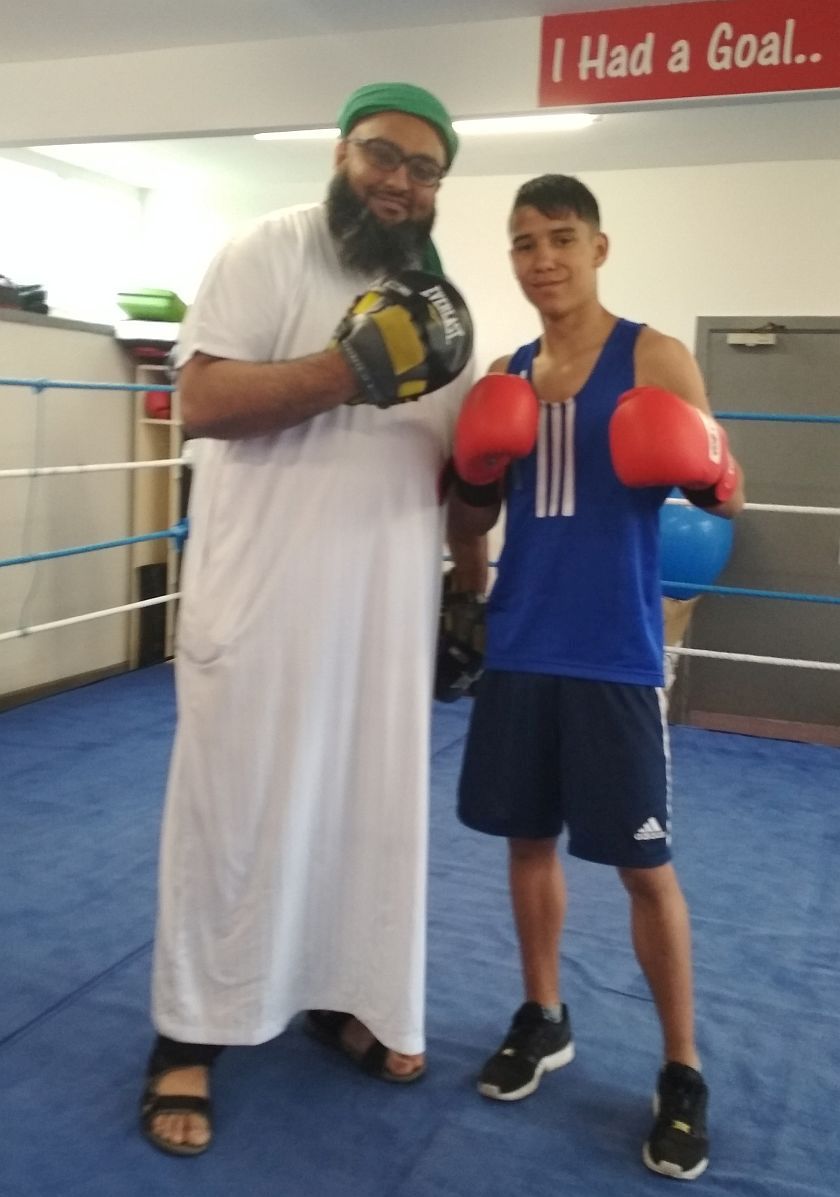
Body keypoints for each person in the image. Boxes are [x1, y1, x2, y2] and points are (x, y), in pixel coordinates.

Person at [141, 81, 483, 1157]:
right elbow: (203, 402)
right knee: (232, 817)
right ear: (342, 153)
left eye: (423, 169)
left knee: (363, 822)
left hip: (381, 620)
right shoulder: (270, 249)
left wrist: (480, 550)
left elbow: (457, 477)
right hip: (263, 604)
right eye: (383, 154)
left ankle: (342, 997)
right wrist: (345, 370)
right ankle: (189, 1032)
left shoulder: (443, 308)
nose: (399, 181)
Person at [447, 174, 745, 1181]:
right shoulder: (507, 372)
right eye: (524, 242)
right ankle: (543, 1013)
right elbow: (476, 515)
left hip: (614, 651)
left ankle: (681, 1066)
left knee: (643, 867)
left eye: (562, 238)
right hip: (523, 643)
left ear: (599, 248)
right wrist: (472, 479)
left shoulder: (653, 355)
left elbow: (726, 496)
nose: (543, 260)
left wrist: (704, 468)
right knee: (528, 840)